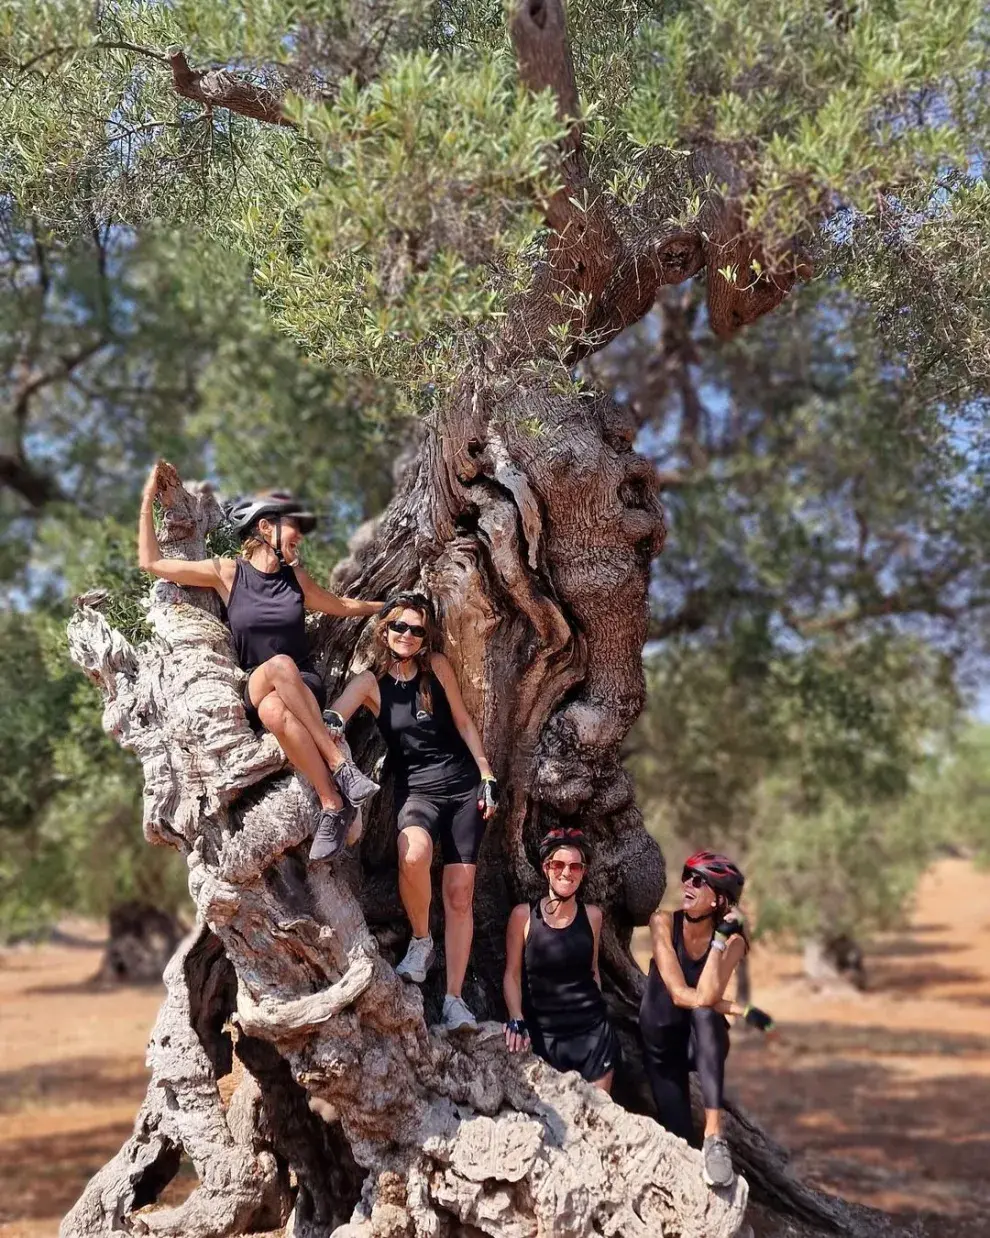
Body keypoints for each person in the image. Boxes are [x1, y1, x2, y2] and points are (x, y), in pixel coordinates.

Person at [137, 460, 382, 861]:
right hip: (259, 677)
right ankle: (340, 766)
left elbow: (340, 605)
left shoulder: (296, 580)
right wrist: (148, 498)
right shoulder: (228, 572)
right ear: (266, 527)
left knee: (273, 710)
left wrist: (384, 605)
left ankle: (331, 804)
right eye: (294, 526)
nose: (300, 537)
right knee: (276, 672)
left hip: (302, 686)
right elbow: (152, 563)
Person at [326, 592, 498, 1030]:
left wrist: (486, 773)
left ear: (425, 638)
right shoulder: (369, 682)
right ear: (385, 630)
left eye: (416, 629)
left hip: (462, 789)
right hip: (415, 790)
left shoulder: (436, 668)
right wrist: (328, 738)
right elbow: (334, 719)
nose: (407, 635)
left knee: (460, 893)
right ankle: (422, 941)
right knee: (413, 854)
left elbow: (462, 721)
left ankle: (455, 1000)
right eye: (399, 626)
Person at [640, 850, 775, 1189]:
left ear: (718, 900)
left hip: (699, 1041)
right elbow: (678, 992)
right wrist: (740, 1009)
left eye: (698, 881)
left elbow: (706, 997)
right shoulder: (662, 923)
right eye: (687, 875)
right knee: (680, 1139)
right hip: (662, 1047)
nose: (687, 884)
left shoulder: (733, 944)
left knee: (704, 1014)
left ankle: (715, 1135)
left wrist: (718, 942)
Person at [502, 828, 619, 1093]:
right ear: (546, 868)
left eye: (575, 866)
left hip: (593, 1037)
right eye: (558, 864)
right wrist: (516, 1018)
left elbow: (593, 971)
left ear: (583, 872)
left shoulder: (593, 917)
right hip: (545, 1037)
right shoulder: (523, 916)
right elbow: (512, 975)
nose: (567, 872)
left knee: (598, 1121)